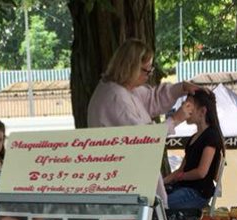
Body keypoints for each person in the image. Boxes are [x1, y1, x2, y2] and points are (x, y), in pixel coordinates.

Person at [86, 38, 199, 207]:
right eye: (146, 71)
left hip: (129, 179)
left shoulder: (124, 89)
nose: (148, 76)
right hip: (125, 182)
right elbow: (143, 137)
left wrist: (182, 88)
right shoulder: (116, 98)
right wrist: (175, 119)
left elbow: (153, 98)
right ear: (131, 67)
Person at [163, 89, 225, 210]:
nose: (184, 109)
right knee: (156, 199)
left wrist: (180, 176)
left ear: (202, 111)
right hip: (183, 189)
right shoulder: (193, 138)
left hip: (197, 194)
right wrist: (161, 183)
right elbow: (180, 170)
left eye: (189, 106)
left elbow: (201, 172)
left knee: (159, 205)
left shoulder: (211, 136)